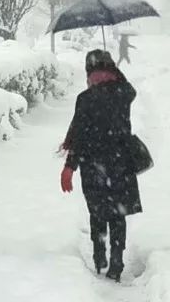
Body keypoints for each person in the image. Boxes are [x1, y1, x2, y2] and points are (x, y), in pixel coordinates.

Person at [60, 49, 141, 281]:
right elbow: (129, 87)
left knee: (97, 212)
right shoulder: (124, 92)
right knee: (118, 213)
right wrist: (115, 73)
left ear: (89, 72)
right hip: (121, 163)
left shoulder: (86, 99)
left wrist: (69, 167)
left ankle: (99, 256)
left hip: (93, 164)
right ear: (112, 67)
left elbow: (78, 136)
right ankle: (116, 260)